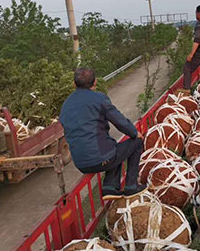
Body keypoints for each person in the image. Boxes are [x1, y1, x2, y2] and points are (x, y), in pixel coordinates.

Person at [59, 68, 145, 200]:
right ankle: (131, 186)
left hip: (80, 164)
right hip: (100, 159)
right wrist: (135, 133)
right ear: (95, 82)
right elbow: (119, 121)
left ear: (74, 84)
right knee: (136, 142)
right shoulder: (99, 99)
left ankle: (110, 187)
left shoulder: (66, 105)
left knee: (113, 147)